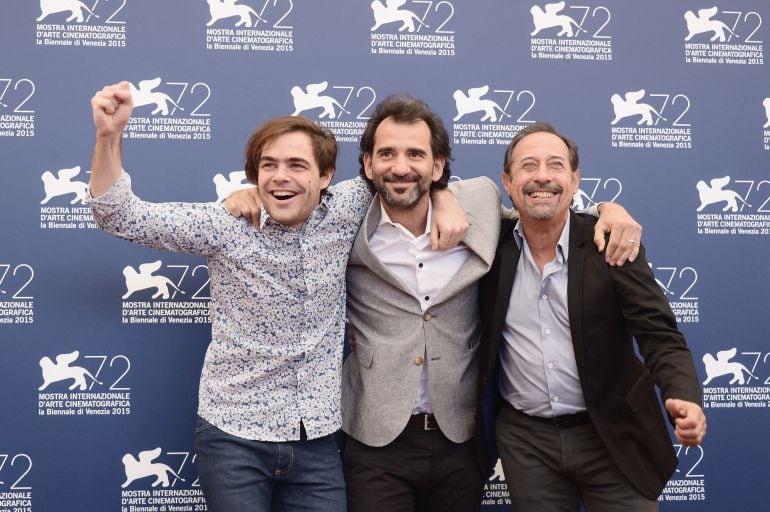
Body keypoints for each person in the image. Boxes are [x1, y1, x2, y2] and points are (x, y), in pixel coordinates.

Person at [227, 95, 643, 512]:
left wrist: (607, 210)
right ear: (368, 165)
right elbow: (291, 197)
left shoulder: (477, 201)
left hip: (458, 437)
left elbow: (540, 212)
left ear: (439, 166)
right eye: (387, 154)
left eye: (415, 154)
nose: (401, 166)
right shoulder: (343, 219)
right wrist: (248, 197)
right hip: (375, 439)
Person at [87, 82, 465, 512]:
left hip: (318, 442)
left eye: (297, 165)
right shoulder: (224, 225)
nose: (281, 176)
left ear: (326, 177)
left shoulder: (345, 208)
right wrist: (108, 137)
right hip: (234, 438)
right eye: (269, 165)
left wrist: (444, 194)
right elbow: (118, 215)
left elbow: (404, 176)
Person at [477, 122, 706, 512]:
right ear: (507, 181)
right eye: (528, 166)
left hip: (612, 434)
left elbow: (658, 333)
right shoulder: (488, 247)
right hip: (527, 443)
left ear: (575, 179)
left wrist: (683, 394)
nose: (543, 177)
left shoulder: (611, 242)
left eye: (556, 165)